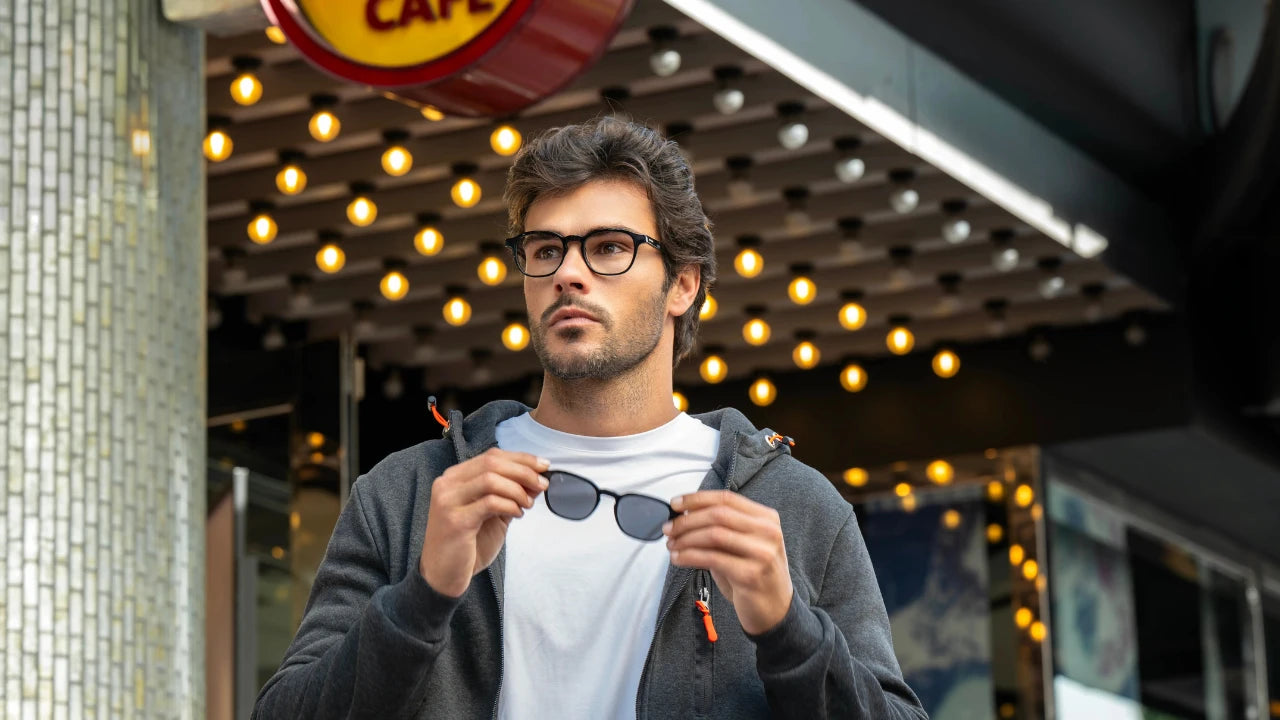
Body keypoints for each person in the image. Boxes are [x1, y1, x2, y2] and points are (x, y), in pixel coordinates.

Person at [253, 116, 926, 719]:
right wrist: (422, 596)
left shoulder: (796, 509)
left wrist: (788, 630)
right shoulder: (408, 496)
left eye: (608, 247)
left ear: (684, 283)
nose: (568, 273)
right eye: (546, 250)